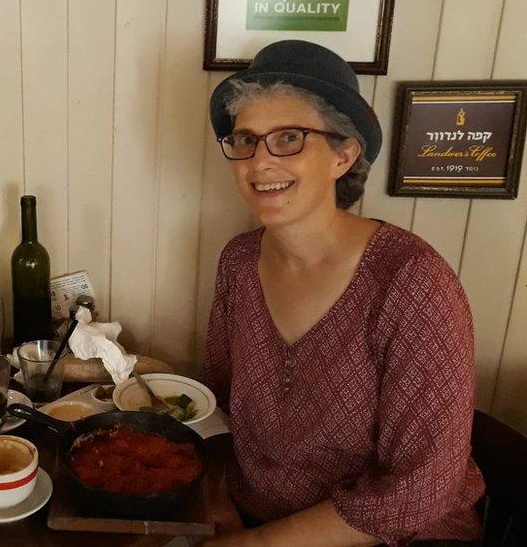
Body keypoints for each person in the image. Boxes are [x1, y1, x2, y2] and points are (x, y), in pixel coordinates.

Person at [202, 40, 484, 546]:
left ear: (343, 154)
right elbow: (219, 402)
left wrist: (256, 544)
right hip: (249, 517)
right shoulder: (239, 263)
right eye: (245, 139)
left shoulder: (412, 282)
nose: (259, 163)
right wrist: (218, 506)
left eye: (288, 137)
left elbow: (421, 490)